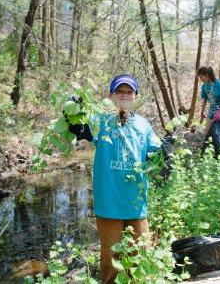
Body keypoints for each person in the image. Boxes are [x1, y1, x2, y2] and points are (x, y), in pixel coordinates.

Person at [67, 74, 161, 283]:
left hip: (136, 202)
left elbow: (156, 152)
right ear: (111, 95)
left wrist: (166, 151)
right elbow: (78, 126)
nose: (124, 95)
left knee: (141, 254)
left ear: (135, 96)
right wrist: (73, 113)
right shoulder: (100, 120)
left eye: (129, 91)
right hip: (109, 203)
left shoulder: (143, 125)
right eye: (120, 91)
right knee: (110, 260)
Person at [198, 66, 220, 134]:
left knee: (218, 132)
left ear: (207, 75)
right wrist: (202, 111)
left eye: (201, 77)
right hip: (211, 108)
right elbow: (205, 99)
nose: (200, 79)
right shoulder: (204, 86)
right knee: (207, 130)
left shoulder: (218, 83)